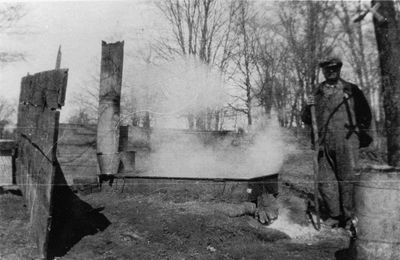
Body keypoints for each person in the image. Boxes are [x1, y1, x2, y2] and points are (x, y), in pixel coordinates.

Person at [302, 56, 372, 230]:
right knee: (326, 181)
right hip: (323, 143)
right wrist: (307, 106)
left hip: (346, 142)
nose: (331, 71)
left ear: (339, 70)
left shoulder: (351, 89)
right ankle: (335, 215)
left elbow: (365, 114)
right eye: (327, 69)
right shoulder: (317, 92)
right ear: (323, 71)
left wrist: (357, 133)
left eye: (334, 69)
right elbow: (306, 118)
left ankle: (350, 218)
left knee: (347, 179)